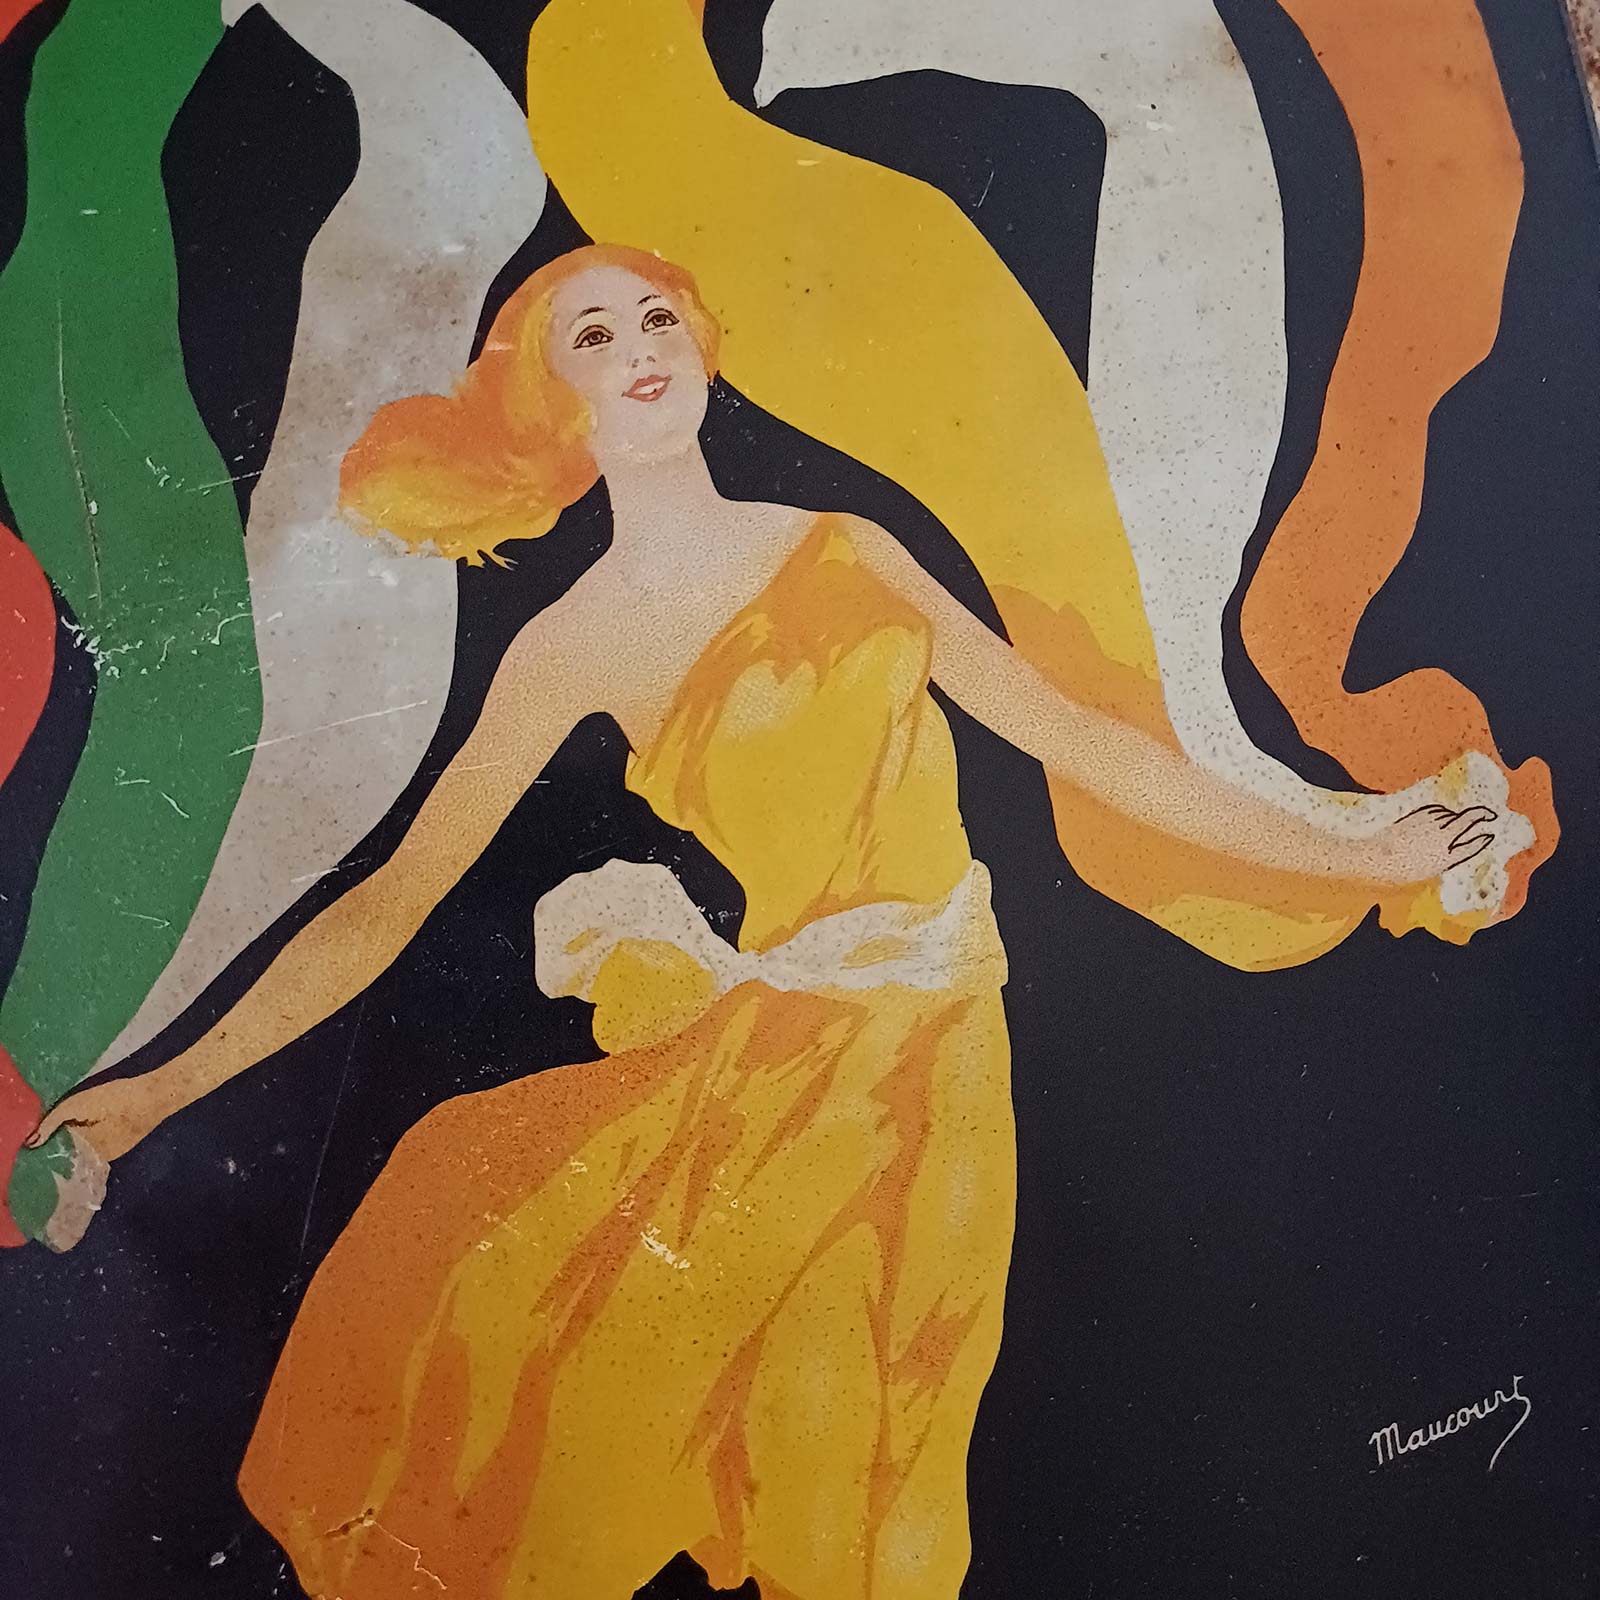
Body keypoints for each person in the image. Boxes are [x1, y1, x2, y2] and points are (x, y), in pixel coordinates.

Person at [29, 244, 1495, 1599]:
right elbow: (386, 909)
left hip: (945, 1060)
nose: (638, 348)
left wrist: (1360, 851)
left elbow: (1082, 742)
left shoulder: (846, 546)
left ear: (704, 347)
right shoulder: (569, 644)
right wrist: (152, 1098)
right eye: (593, 337)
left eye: (656, 317)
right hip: (784, 1089)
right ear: (553, 397)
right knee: (740, 1454)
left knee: (896, 1476)